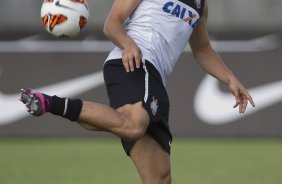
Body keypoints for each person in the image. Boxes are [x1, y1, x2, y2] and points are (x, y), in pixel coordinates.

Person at [20, 0, 255, 183]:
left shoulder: (200, 5)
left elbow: (202, 49)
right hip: (132, 63)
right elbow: (112, 23)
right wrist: (129, 44)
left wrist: (230, 78)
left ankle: (53, 104)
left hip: (154, 79)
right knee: (132, 125)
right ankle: (50, 103)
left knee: (159, 178)